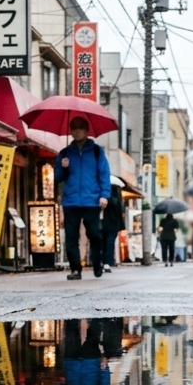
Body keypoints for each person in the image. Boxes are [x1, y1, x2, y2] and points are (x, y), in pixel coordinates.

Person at [55, 116, 112, 280]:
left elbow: (104, 174)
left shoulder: (96, 151)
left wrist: (104, 195)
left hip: (91, 200)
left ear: (87, 130)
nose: (77, 131)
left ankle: (97, 263)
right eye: (74, 128)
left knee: (94, 234)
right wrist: (63, 167)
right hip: (71, 201)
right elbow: (58, 177)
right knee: (71, 236)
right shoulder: (65, 153)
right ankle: (75, 269)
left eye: (80, 127)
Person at [101, 183, 125, 272]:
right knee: (110, 244)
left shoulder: (104, 199)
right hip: (113, 225)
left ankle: (102, 261)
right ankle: (107, 263)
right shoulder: (117, 200)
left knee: (102, 243)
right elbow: (120, 214)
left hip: (103, 224)